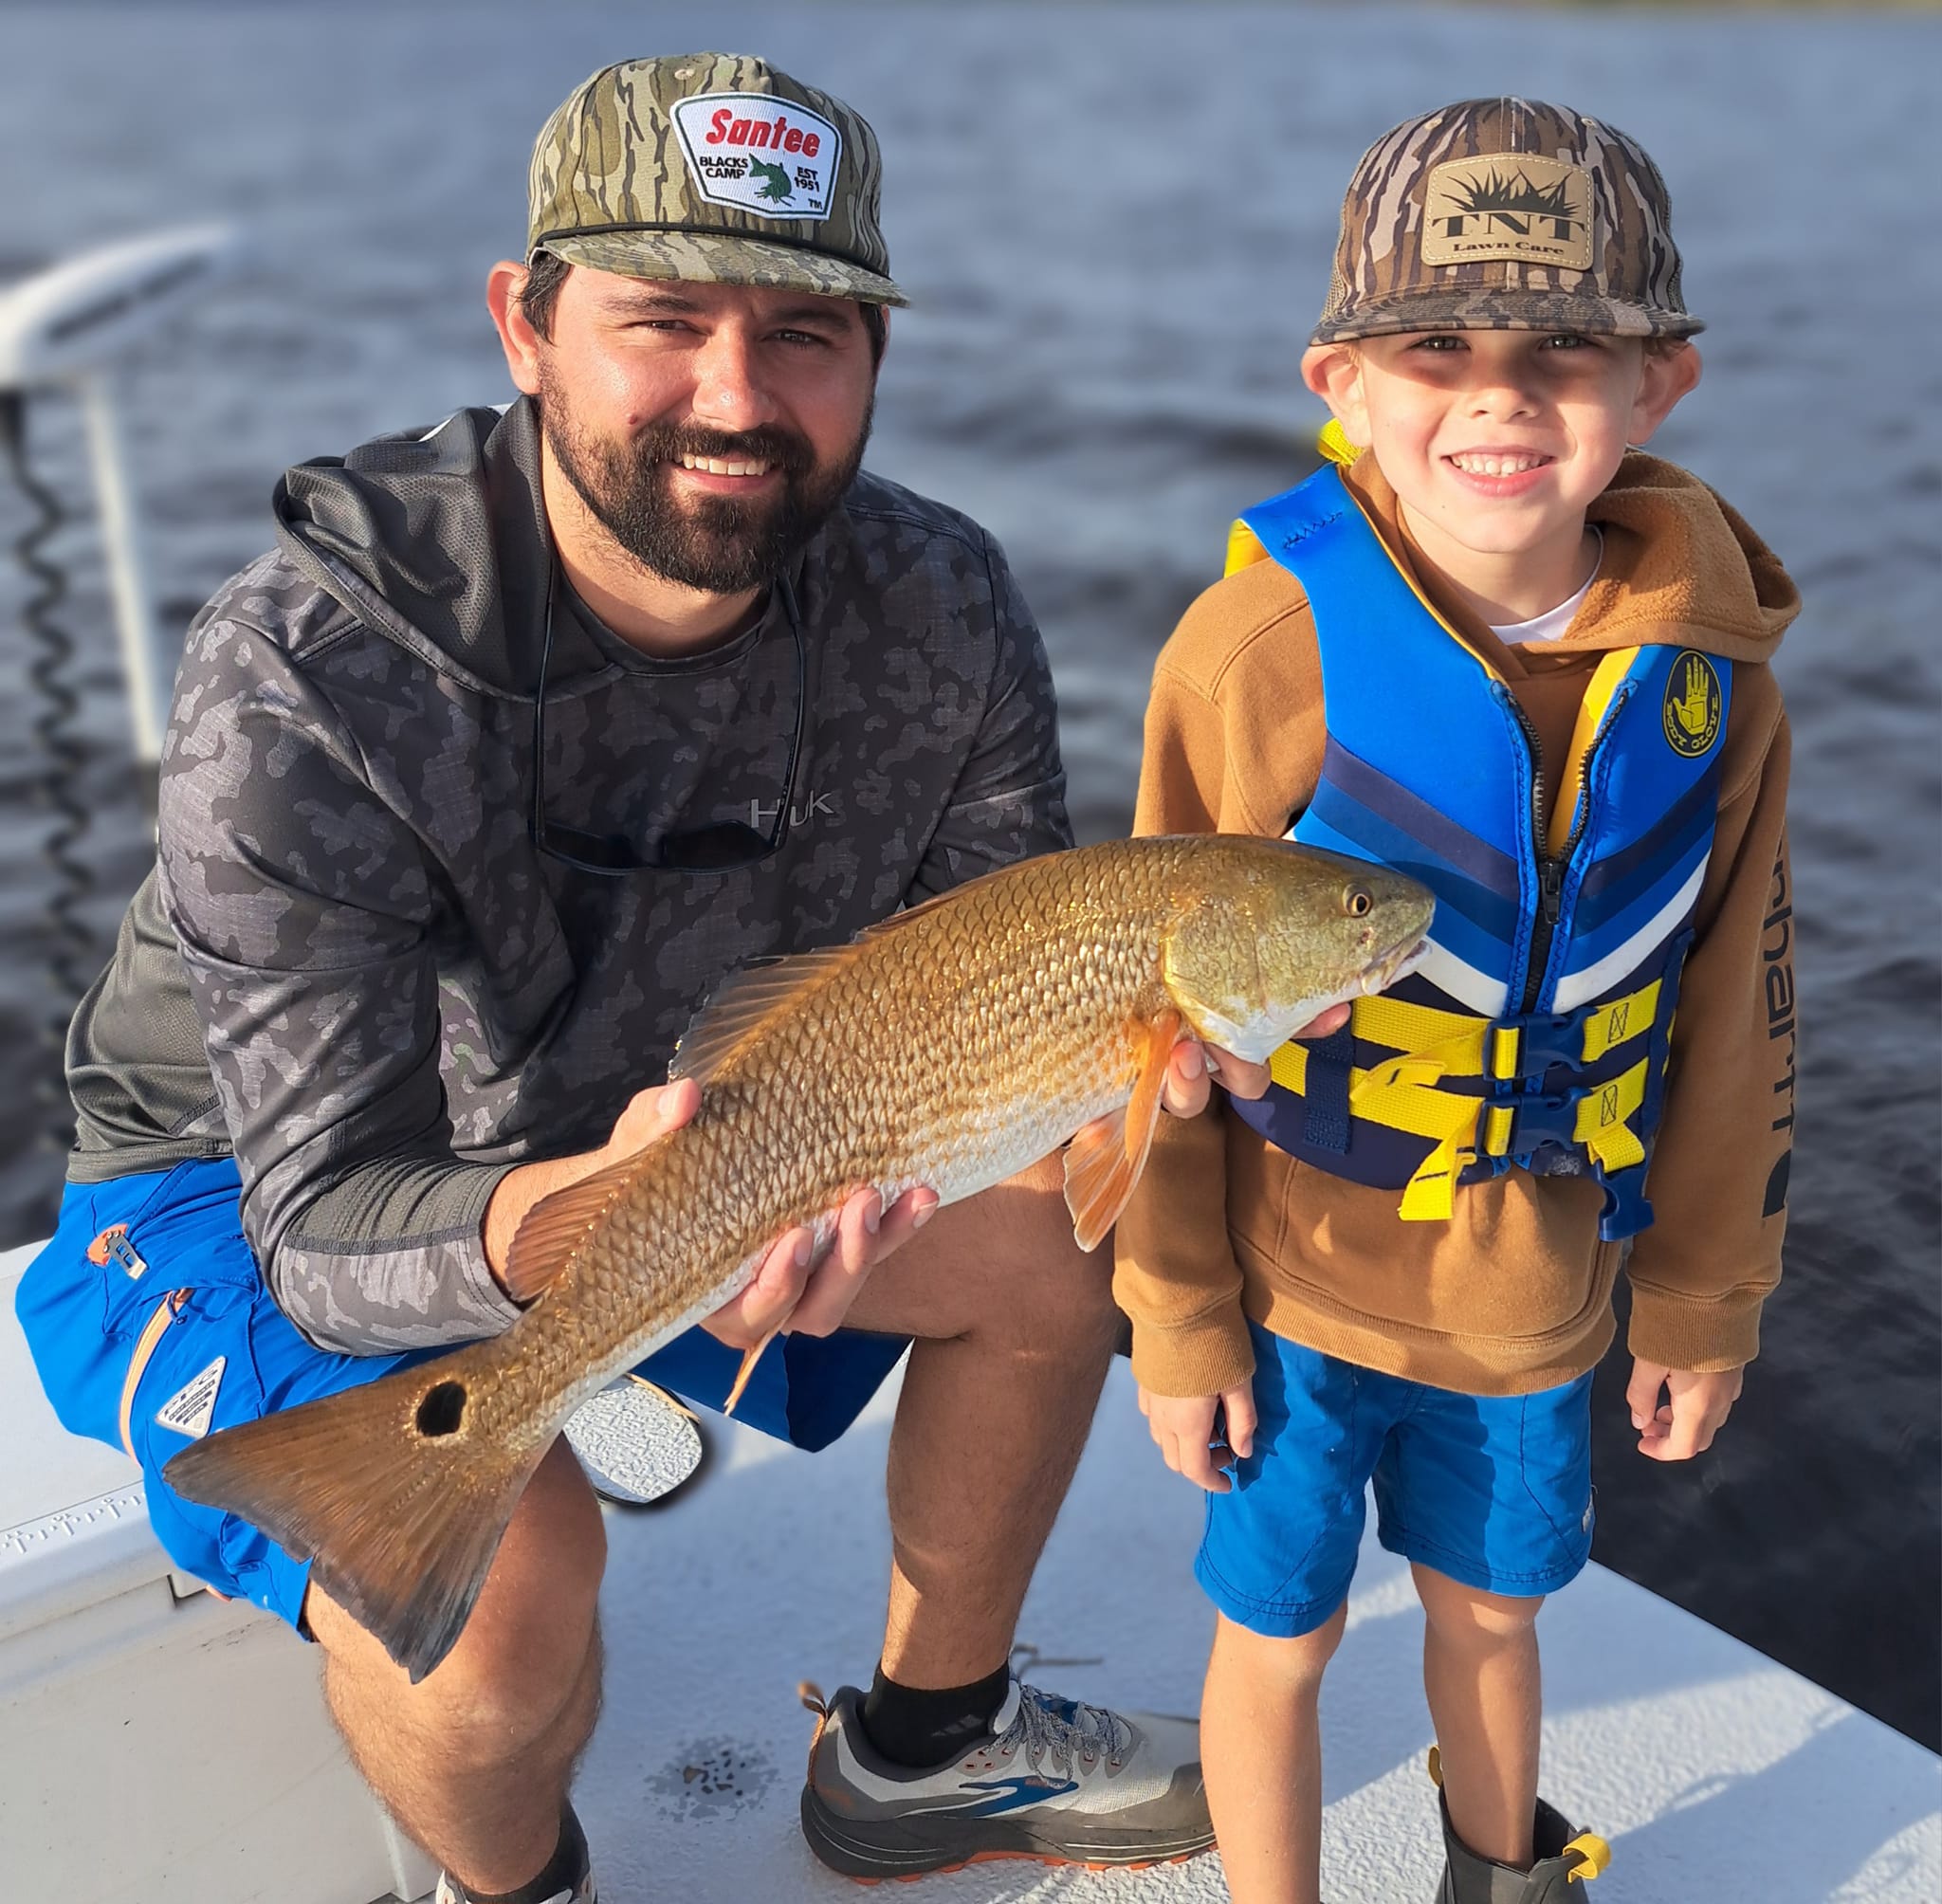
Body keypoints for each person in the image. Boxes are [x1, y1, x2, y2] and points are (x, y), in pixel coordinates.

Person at [13, 52, 1240, 1904]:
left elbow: (984, 983)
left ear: (877, 355)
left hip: (730, 1134)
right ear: (524, 323)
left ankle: (920, 1747)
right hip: (251, 1190)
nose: (736, 396)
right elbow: (328, 1208)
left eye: (807, 331)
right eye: (664, 319)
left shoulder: (946, 602)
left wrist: (1086, 1089)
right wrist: (572, 1219)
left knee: (1066, 1249)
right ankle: (525, 1887)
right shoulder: (320, 656)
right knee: (505, 1608)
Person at [1113, 99, 1798, 1904]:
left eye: (1565, 344)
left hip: (1537, 1303)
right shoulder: (1250, 659)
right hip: (1294, 1293)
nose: (1500, 396)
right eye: (1439, 345)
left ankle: (1498, 1878)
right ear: (1342, 379)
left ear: (1659, 387)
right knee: (1281, 1643)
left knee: (1494, 1626)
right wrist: (1177, 1309)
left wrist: (1704, 1296)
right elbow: (1150, 1032)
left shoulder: (1715, 689)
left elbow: (1739, 1008)